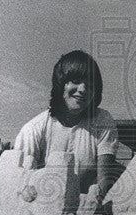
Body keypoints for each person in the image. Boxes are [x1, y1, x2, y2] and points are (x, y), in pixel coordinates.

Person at [14, 50, 120, 206]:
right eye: (76, 81)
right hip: (44, 210)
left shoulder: (102, 122)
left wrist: (93, 200)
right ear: (61, 84)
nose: (83, 89)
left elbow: (104, 180)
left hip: (86, 213)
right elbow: (21, 181)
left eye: (90, 85)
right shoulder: (33, 129)